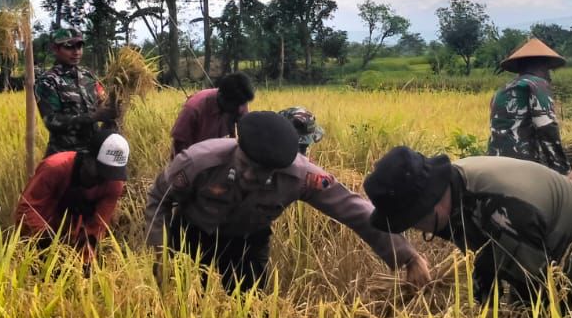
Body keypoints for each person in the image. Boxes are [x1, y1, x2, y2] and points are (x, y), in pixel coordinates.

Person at [146, 111, 431, 290]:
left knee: (250, 312)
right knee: (180, 307)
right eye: (244, 164)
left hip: (247, 245)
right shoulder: (199, 161)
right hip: (192, 239)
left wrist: (407, 255)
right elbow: (159, 199)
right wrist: (160, 253)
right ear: (237, 147)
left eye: (261, 173)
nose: (248, 175)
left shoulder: (301, 176)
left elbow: (355, 209)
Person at [364, 148, 572, 313]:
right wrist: (488, 315)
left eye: (413, 220)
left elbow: (541, 290)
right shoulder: (455, 194)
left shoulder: (501, 208)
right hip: (547, 252)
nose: (413, 227)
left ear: (431, 204)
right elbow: (485, 261)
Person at [17, 128, 131, 267]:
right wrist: (49, 245)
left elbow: (97, 227)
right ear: (88, 158)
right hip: (40, 234)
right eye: (102, 171)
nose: (105, 178)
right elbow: (26, 209)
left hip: (71, 239)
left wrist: (84, 263)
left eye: (110, 173)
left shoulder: (113, 183)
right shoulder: (54, 168)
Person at [488, 38, 572, 179]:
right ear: (541, 66)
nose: (549, 76)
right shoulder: (537, 84)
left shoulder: (501, 91)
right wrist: (564, 169)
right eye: (548, 69)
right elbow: (547, 128)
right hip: (524, 168)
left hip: (495, 164)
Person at [35, 28, 114, 157]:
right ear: (56, 49)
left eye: (79, 46)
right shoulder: (48, 81)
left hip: (93, 153)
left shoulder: (88, 76)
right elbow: (52, 121)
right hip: (64, 155)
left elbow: (103, 101)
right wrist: (93, 117)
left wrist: (116, 102)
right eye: (69, 47)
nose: (76, 52)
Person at [171, 72, 255, 156]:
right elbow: (179, 143)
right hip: (194, 158)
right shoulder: (194, 108)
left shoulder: (239, 102)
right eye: (236, 104)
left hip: (220, 155)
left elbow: (245, 134)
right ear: (222, 97)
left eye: (243, 104)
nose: (241, 109)